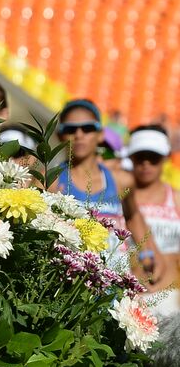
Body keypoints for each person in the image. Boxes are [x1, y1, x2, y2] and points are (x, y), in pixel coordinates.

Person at [52, 99, 162, 280]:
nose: (79, 134)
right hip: (66, 287)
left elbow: (133, 216)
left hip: (113, 283)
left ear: (101, 134)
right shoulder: (52, 181)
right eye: (70, 129)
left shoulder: (121, 180)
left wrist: (147, 255)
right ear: (59, 135)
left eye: (87, 128)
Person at [127, 126, 180, 292]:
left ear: (165, 158)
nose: (146, 163)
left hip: (171, 293)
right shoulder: (120, 196)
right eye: (140, 157)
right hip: (128, 290)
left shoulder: (177, 198)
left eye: (153, 157)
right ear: (131, 158)